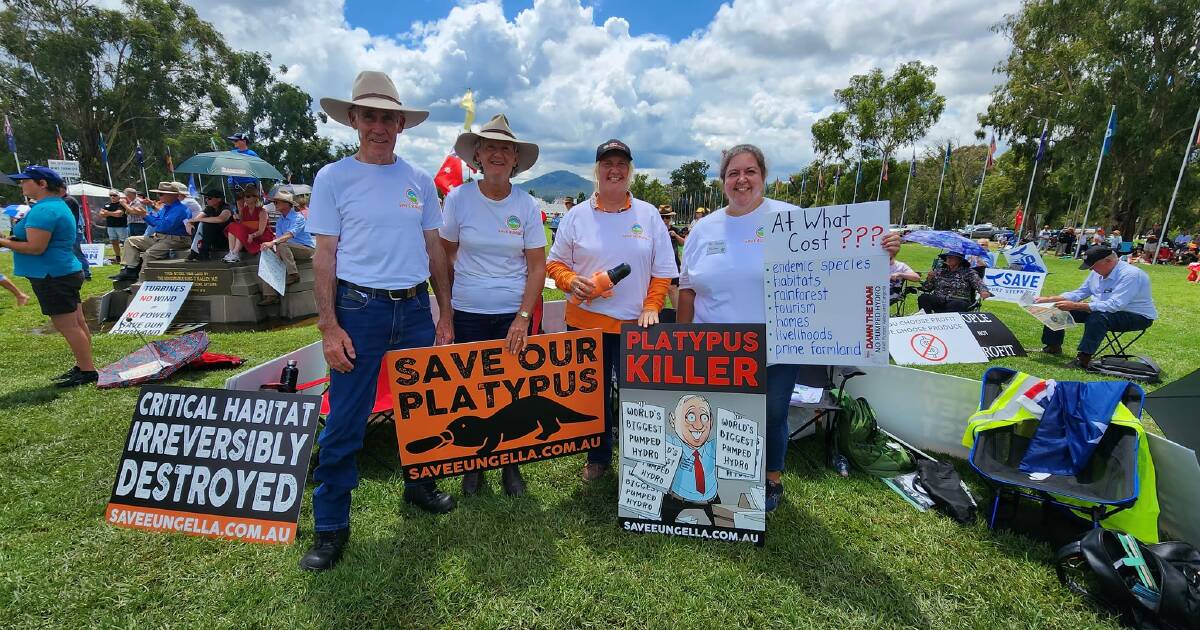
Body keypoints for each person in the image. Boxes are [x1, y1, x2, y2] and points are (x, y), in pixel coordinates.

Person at [676, 144, 900, 510]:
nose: (741, 179)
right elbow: (687, 288)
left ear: (763, 176)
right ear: (722, 181)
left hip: (776, 342)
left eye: (750, 171)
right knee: (714, 411)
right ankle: (719, 477)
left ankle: (771, 478)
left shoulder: (792, 219)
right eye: (733, 173)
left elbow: (839, 263)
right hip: (713, 345)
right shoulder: (703, 229)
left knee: (774, 412)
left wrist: (880, 250)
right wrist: (682, 339)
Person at [300, 70, 453, 572]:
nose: (380, 126)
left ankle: (420, 485)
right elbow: (324, 256)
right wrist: (328, 325)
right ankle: (330, 526)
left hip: (413, 309)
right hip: (358, 310)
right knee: (345, 419)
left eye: (389, 117)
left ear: (401, 124)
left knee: (423, 410)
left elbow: (434, 249)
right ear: (354, 120)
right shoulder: (333, 178)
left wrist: (444, 311)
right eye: (371, 116)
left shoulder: (419, 181)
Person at [546, 138, 678, 483]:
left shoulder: (648, 215)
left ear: (630, 171)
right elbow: (555, 263)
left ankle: (642, 462)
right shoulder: (576, 216)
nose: (614, 170)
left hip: (636, 326)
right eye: (608, 164)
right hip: (585, 324)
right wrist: (571, 281)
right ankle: (598, 457)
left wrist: (652, 305)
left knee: (639, 398)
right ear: (597, 171)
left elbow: (664, 270)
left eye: (621, 164)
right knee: (593, 397)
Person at [440, 113, 547, 497]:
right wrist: (448, 314)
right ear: (478, 156)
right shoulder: (458, 199)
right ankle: (474, 465)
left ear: (515, 159)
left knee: (513, 390)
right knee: (472, 390)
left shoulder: (528, 205)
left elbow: (538, 267)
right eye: (491, 147)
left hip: (511, 313)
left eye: (506, 148)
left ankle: (510, 464)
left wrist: (522, 317)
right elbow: (445, 257)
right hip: (468, 310)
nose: (498, 154)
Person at [0, 166, 95, 387]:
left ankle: (88, 370)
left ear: (42, 184)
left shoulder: (44, 210)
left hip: (51, 274)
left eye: (25, 181)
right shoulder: (54, 206)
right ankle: (84, 365)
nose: (21, 184)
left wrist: (4, 242)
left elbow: (35, 248)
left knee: (68, 325)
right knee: (77, 322)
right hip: (61, 270)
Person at [1037, 245, 1157, 369]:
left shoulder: (1131, 275)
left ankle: (1083, 358)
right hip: (1105, 310)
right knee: (1055, 309)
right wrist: (1050, 299)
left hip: (1137, 316)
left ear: (1108, 261)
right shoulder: (1098, 272)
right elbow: (1080, 293)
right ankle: (1053, 346)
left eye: (1093, 266)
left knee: (1098, 317)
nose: (1091, 270)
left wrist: (1076, 306)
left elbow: (1114, 305)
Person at [110, 182, 193, 281]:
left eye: (161, 194)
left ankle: (142, 282)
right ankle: (130, 271)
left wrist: (145, 215)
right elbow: (156, 221)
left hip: (176, 240)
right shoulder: (166, 208)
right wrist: (144, 214)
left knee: (150, 254)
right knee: (130, 241)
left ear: (173, 195)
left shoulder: (181, 209)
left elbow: (164, 226)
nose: (158, 196)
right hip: (161, 238)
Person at [256, 190, 314, 305]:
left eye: (277, 202)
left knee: (281, 244)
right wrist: (274, 253)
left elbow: (289, 235)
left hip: (306, 249)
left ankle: (293, 274)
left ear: (287, 204)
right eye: (275, 202)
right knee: (267, 256)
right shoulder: (280, 220)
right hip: (287, 249)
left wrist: (273, 243)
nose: (275, 205)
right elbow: (278, 240)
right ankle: (270, 295)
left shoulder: (298, 217)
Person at [917, 250, 991, 313]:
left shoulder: (969, 272)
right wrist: (929, 278)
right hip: (939, 299)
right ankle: (927, 322)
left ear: (959, 260)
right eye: (947, 257)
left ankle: (947, 325)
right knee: (924, 297)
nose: (948, 259)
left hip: (959, 300)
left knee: (956, 304)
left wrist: (983, 291)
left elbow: (978, 283)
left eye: (952, 257)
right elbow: (926, 288)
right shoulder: (939, 271)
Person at [222, 185, 273, 263]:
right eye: (244, 196)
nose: (245, 198)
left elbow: (261, 231)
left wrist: (252, 235)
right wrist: (237, 217)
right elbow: (241, 225)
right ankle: (232, 252)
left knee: (240, 229)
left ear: (255, 197)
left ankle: (235, 253)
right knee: (233, 225)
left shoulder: (262, 211)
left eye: (248, 196)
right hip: (247, 233)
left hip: (260, 235)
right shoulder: (244, 210)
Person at [184, 188, 232, 261]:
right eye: (206, 198)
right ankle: (199, 251)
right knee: (198, 225)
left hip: (225, 239)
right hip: (211, 238)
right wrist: (189, 223)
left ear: (219, 199)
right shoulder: (209, 208)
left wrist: (200, 220)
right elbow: (196, 219)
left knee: (207, 224)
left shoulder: (226, 208)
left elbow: (221, 219)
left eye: (209, 198)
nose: (206, 200)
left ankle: (197, 252)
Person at [660, 204, 684, 308]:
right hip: (658, 264)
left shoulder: (675, 230)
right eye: (662, 217)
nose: (665, 219)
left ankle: (676, 315)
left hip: (673, 263)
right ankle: (660, 317)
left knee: (673, 288)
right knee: (660, 290)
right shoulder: (655, 230)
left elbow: (683, 243)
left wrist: (676, 235)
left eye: (668, 217)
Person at [99, 190, 128, 265]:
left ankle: (127, 257)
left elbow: (119, 214)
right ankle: (118, 257)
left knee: (125, 243)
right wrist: (112, 213)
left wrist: (107, 213)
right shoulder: (107, 204)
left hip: (121, 226)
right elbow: (101, 214)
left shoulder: (121, 204)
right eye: (111, 195)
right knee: (114, 242)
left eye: (114, 195)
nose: (112, 197)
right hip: (110, 226)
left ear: (118, 196)